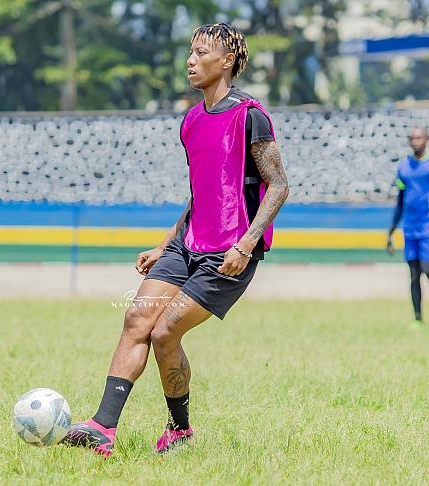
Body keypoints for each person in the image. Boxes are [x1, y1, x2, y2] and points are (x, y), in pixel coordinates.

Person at [62, 23, 289, 456]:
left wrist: (246, 245)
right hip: (187, 244)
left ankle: (179, 431)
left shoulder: (251, 116)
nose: (190, 60)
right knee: (137, 319)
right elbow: (201, 192)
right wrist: (165, 244)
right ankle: (102, 428)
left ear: (227, 61)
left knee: (165, 332)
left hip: (230, 253)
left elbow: (278, 186)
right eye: (190, 51)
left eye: (202, 53)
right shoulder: (191, 119)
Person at [387, 127, 429, 327]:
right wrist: (391, 229)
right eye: (412, 138)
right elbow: (400, 201)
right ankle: (418, 319)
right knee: (414, 273)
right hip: (410, 227)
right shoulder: (404, 168)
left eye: (419, 138)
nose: (415, 142)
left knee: (428, 269)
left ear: (426, 140)